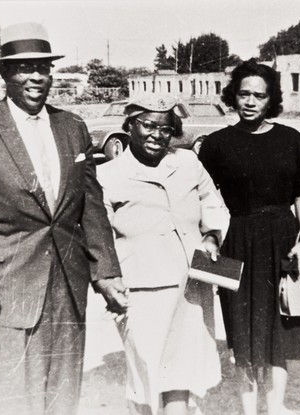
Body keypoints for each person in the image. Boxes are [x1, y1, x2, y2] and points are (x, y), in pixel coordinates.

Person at [0, 22, 128, 415]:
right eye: (24, 68)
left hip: (69, 288)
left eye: (42, 68)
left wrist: (106, 272)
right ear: (5, 74)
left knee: (64, 394)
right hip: (11, 290)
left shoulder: (72, 126)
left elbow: (90, 206)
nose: (35, 77)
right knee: (18, 398)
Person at [97, 96, 230, 415]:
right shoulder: (108, 176)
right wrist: (105, 279)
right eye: (148, 125)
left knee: (180, 380)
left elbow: (214, 204)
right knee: (145, 380)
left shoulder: (188, 163)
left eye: (166, 128)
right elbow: (97, 237)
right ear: (129, 126)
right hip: (141, 292)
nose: (157, 134)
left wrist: (212, 235)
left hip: (190, 287)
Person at [198, 59, 300, 415]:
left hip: (282, 238)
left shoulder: (291, 139)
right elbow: (204, 198)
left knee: (282, 324)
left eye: (259, 96)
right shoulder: (216, 144)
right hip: (235, 240)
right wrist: (209, 238)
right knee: (241, 325)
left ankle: (275, 406)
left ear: (270, 100)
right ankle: (249, 409)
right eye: (244, 94)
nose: (250, 101)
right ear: (233, 96)